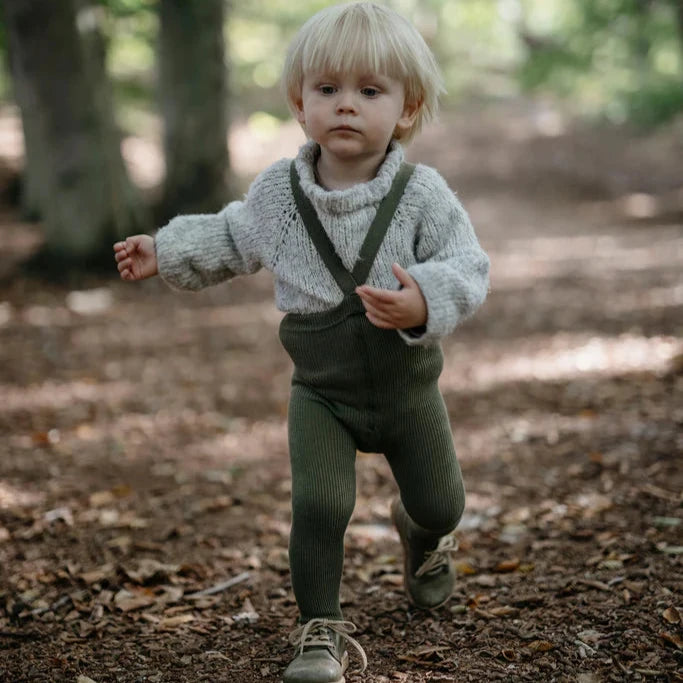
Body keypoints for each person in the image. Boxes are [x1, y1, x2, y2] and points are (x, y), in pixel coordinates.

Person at [114, 3, 490, 681]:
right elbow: (231, 236)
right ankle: (319, 630)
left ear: (406, 110)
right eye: (327, 90)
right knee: (320, 504)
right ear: (299, 103)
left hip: (405, 386)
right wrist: (164, 249)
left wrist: (421, 298)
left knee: (443, 503)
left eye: (369, 91)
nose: (346, 106)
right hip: (322, 391)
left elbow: (468, 263)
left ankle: (421, 534)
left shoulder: (421, 194)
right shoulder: (279, 195)